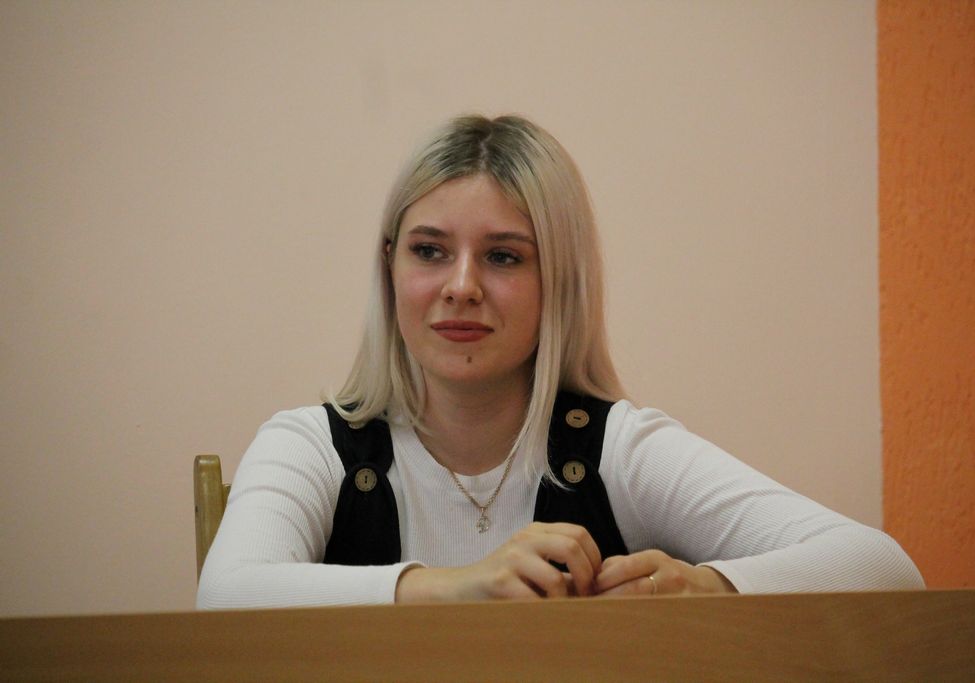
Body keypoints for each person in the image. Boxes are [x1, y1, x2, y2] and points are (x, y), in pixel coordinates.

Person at [196, 115, 923, 609]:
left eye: (504, 256)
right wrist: (456, 587)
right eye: (430, 250)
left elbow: (883, 568)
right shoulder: (312, 444)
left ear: (560, 282)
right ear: (389, 267)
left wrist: (707, 586)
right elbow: (224, 595)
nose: (461, 285)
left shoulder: (618, 449)